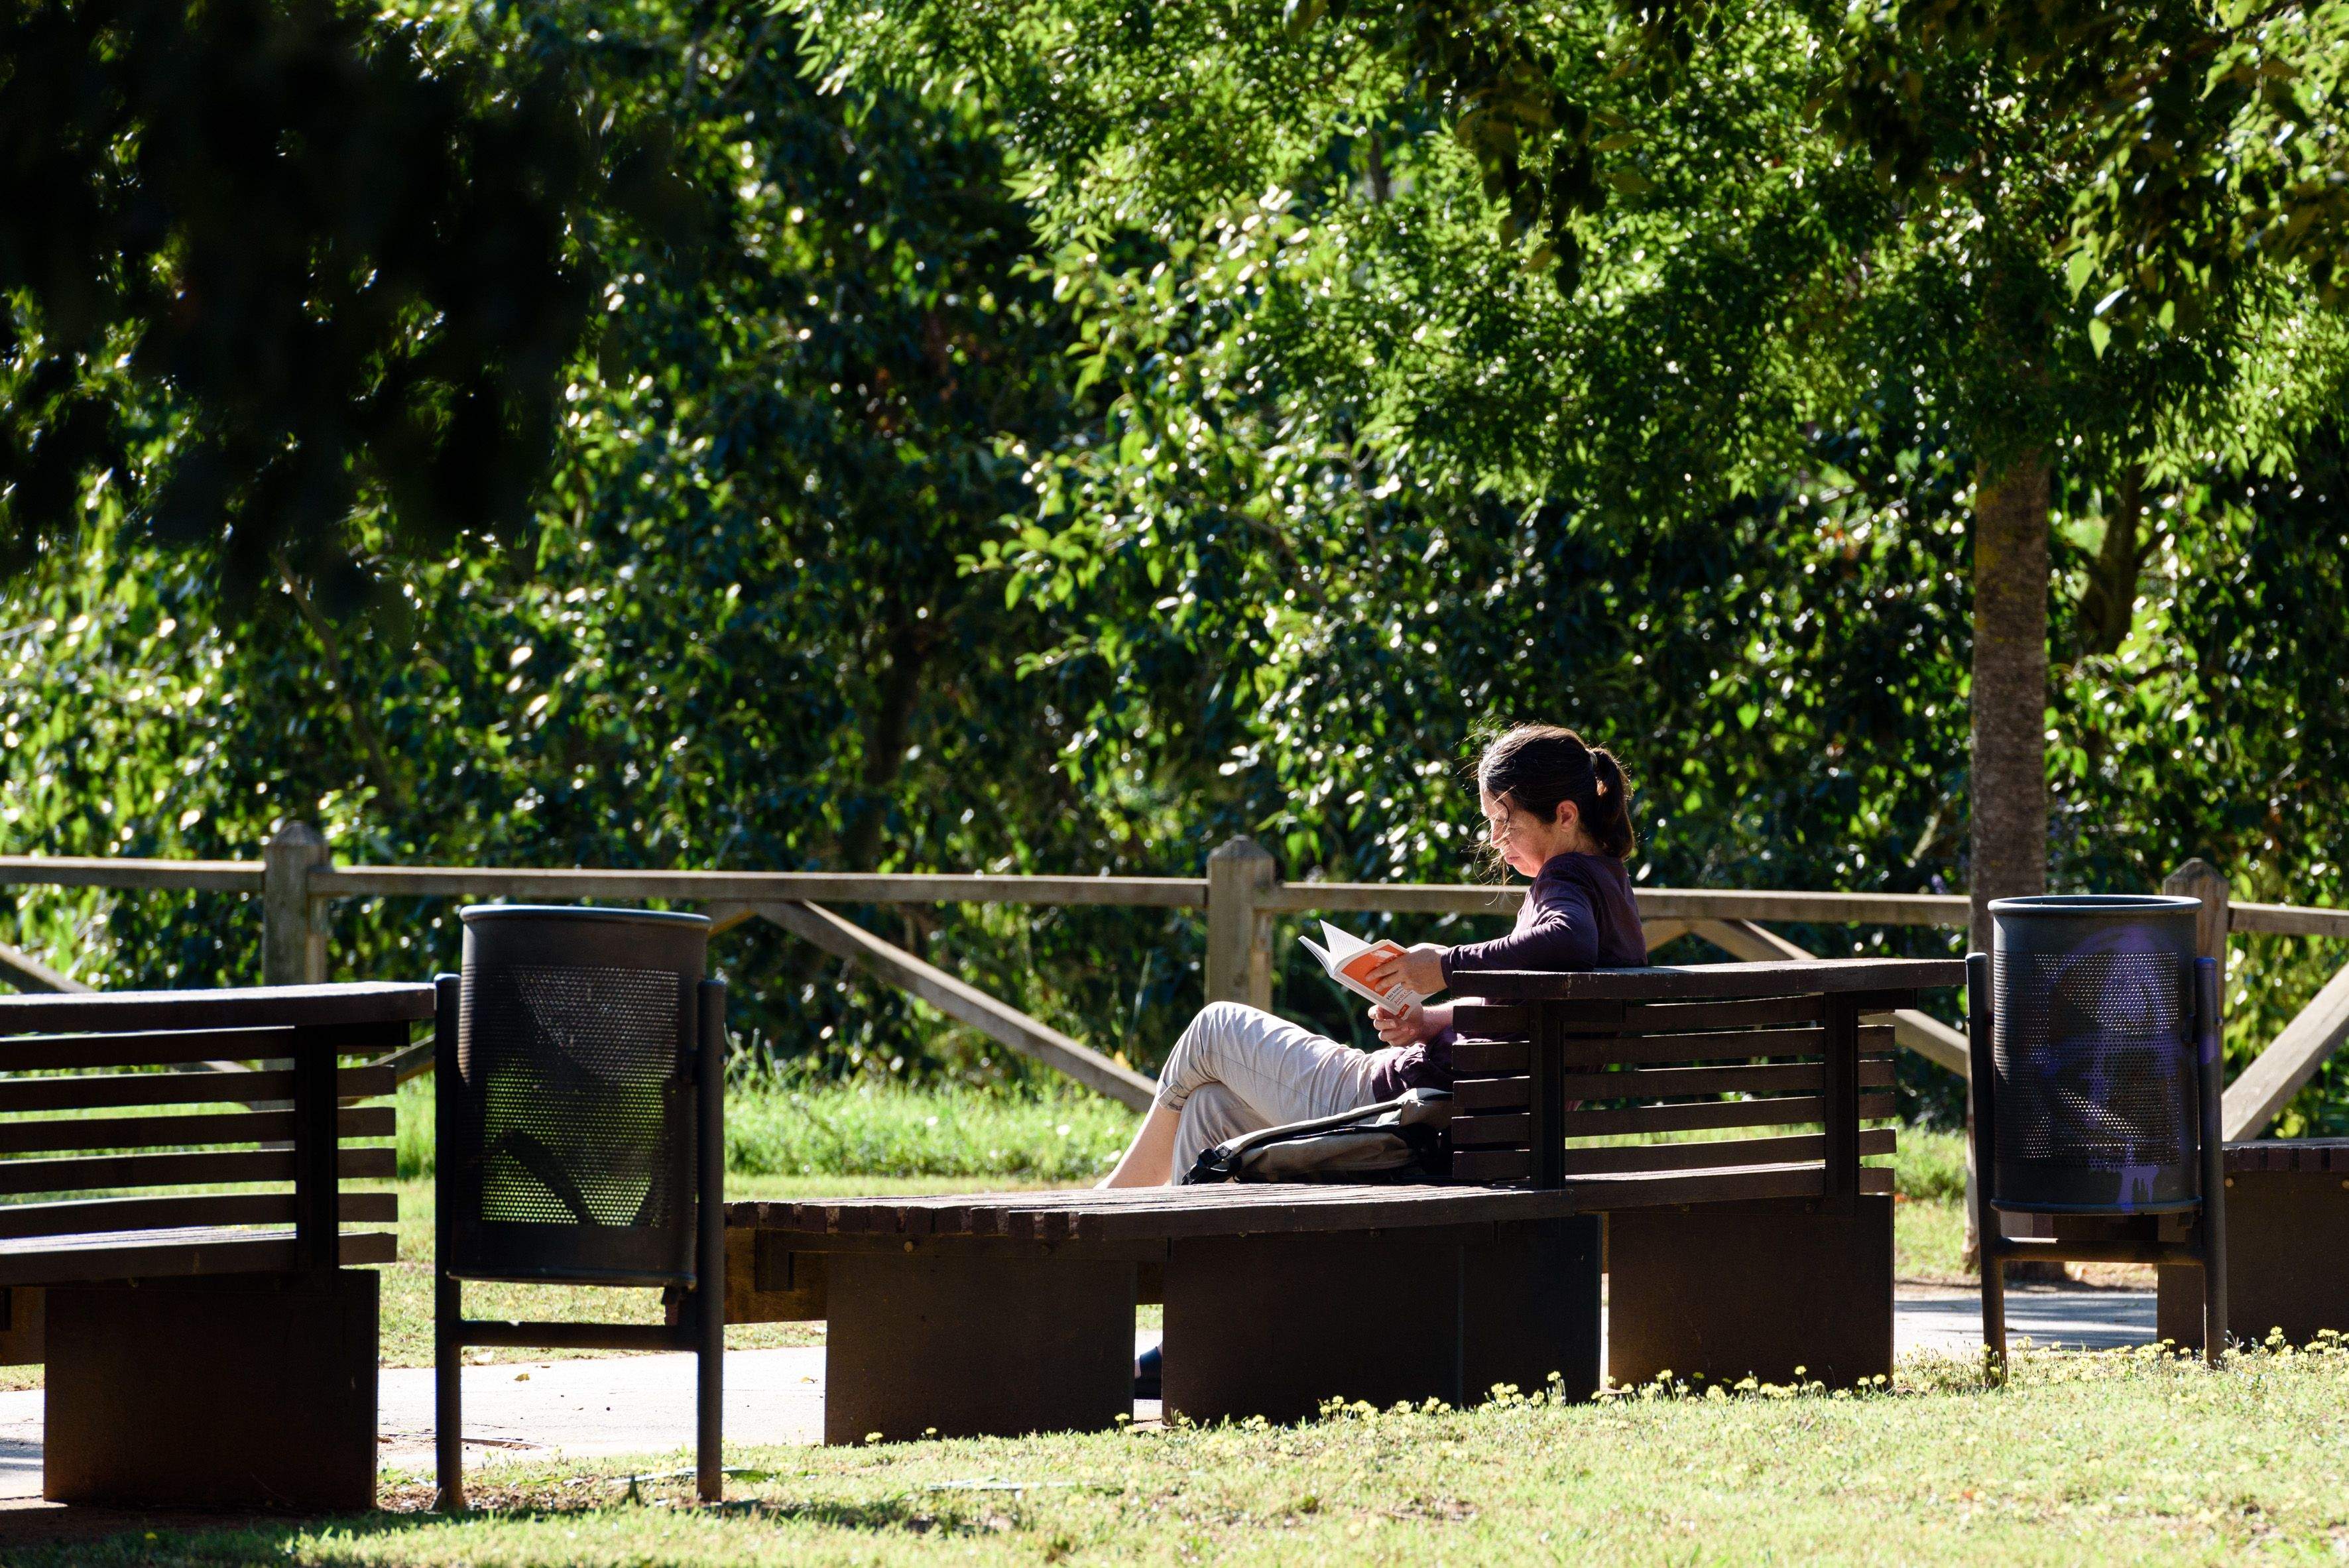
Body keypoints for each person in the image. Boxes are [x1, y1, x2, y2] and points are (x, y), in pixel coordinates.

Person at [1099, 723, 1648, 1191]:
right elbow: (1530, 1010)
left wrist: (1443, 965)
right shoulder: (1610, 890)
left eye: (1503, 821)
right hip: (1454, 1123)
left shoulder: (1565, 883)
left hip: (1397, 1115)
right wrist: (1430, 1019)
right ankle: (1198, 1277)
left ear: (1565, 814)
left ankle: (1114, 1203)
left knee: (1213, 1027)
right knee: (1210, 1109)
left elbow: (1565, 939)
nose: (1494, 839)